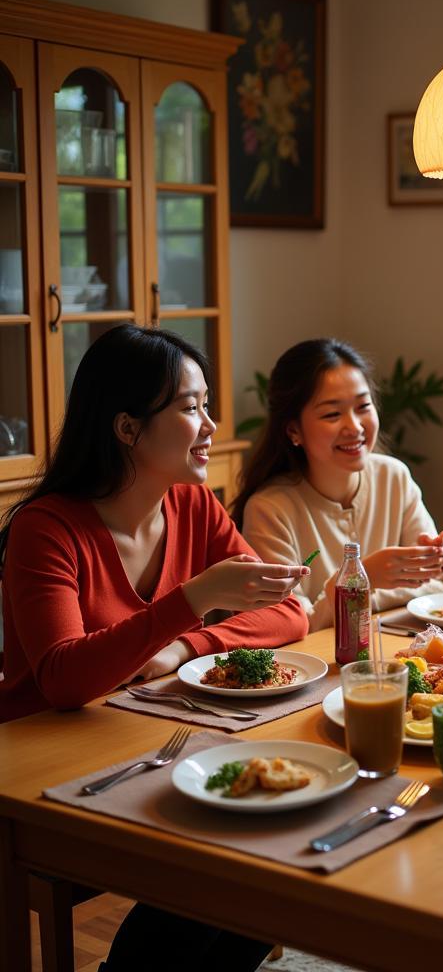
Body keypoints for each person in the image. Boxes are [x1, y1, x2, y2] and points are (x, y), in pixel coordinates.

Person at [0, 324, 309, 971]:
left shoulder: (195, 507)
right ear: (127, 428)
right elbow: (60, 679)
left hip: (137, 742)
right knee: (220, 866)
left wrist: (187, 643)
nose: (211, 423)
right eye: (191, 406)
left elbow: (289, 613)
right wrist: (191, 599)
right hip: (37, 766)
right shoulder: (47, 528)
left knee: (261, 851)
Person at [233, 338, 443, 628]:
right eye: (332, 414)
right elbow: (289, 622)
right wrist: (360, 578)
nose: (355, 427)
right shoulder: (270, 509)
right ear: (294, 430)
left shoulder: (394, 477)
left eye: (363, 406)